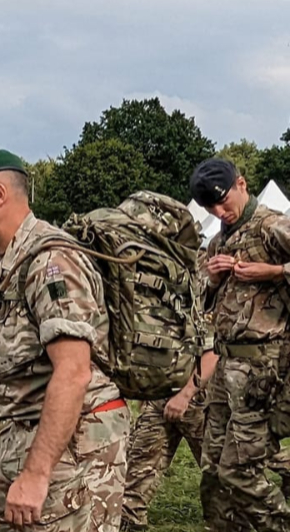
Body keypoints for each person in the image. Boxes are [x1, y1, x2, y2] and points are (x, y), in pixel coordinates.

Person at [0, 148, 130, 532]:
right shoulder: (10, 258)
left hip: (72, 452)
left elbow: (74, 371)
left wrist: (36, 474)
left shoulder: (51, 261)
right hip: (27, 436)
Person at [190, 158, 290, 531]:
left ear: (242, 184)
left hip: (261, 370)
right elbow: (198, 300)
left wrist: (276, 271)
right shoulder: (219, 239)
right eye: (209, 207)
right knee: (213, 468)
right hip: (225, 367)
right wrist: (212, 279)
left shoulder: (271, 227)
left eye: (222, 200)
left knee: (241, 472)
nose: (220, 211)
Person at [119, 320, 216, 531]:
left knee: (220, 471)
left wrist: (185, 395)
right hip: (160, 399)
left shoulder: (197, 298)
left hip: (197, 399)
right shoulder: (158, 300)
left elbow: (213, 352)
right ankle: (130, 522)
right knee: (137, 468)